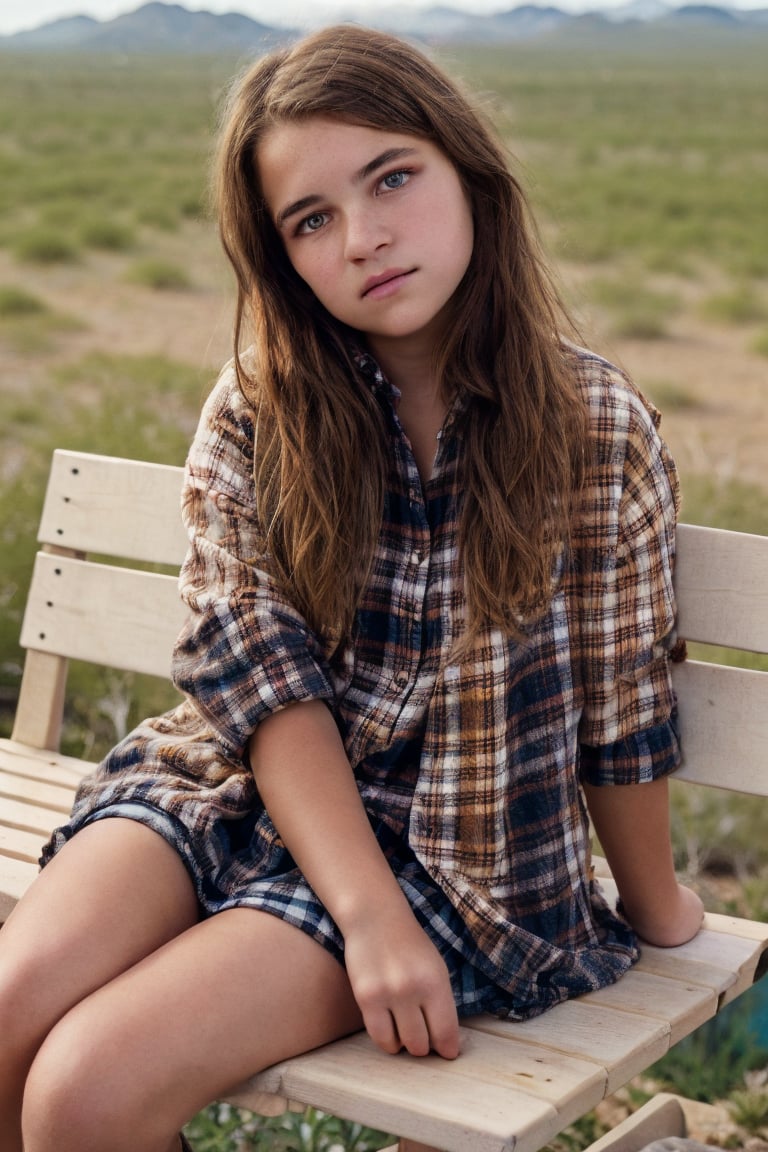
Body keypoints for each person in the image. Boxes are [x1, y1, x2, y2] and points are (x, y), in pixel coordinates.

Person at [0, 24, 704, 1152]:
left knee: (84, 1093)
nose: (366, 237)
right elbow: (258, 676)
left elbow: (620, 705)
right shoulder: (258, 409)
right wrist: (361, 919)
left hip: (453, 852)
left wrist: (657, 909)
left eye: (392, 178)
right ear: (283, 258)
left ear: (466, 171)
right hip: (235, 782)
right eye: (312, 219)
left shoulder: (592, 428)